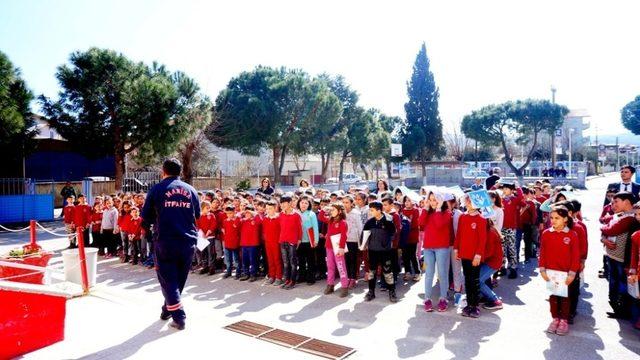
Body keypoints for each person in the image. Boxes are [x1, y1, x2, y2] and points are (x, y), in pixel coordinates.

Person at [141, 158, 201, 331]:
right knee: (178, 280)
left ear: (163, 171)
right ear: (180, 171)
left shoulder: (157, 189)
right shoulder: (191, 190)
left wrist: (147, 231)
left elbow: (146, 218)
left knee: (168, 281)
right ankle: (167, 310)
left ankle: (179, 317)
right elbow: (197, 215)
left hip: (166, 241)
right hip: (188, 241)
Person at [539, 206, 580, 336]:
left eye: (557, 218)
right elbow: (543, 252)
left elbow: (576, 256)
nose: (553, 221)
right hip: (551, 273)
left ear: (565, 219)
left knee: (565, 298)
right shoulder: (546, 233)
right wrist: (542, 270)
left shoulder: (572, 235)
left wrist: (572, 273)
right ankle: (555, 318)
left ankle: (564, 320)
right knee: (553, 296)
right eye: (551, 218)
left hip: (566, 274)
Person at [600, 192, 636, 320]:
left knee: (622, 284)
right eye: (612, 202)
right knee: (613, 281)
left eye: (616, 202)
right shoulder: (618, 215)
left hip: (622, 260)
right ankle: (616, 307)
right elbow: (605, 228)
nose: (613, 205)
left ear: (626, 202)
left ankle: (622, 310)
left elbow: (611, 230)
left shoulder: (631, 217)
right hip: (612, 256)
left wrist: (603, 228)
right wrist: (603, 238)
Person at [454, 195, 487, 318]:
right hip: (464, 254)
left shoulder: (481, 219)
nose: (467, 203)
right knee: (467, 280)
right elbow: (459, 235)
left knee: (475, 280)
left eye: (470, 202)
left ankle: (475, 305)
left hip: (475, 256)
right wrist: (456, 249)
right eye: (467, 201)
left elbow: (482, 240)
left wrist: (478, 255)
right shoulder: (463, 217)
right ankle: (468, 304)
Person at [421, 191, 452, 312]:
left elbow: (439, 225)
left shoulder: (447, 212)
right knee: (428, 274)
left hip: (441, 248)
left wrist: (438, 209)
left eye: (435, 200)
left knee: (442, 273)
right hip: (428, 248)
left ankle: (443, 298)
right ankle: (427, 299)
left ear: (441, 200)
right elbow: (420, 223)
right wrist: (425, 208)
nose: (433, 202)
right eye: (431, 199)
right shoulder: (427, 211)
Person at [363, 201, 398, 303]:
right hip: (373, 251)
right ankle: (371, 292)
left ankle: (392, 292)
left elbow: (393, 234)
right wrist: (363, 245)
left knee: (388, 273)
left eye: (372, 210)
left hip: (385, 252)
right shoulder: (370, 222)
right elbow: (364, 234)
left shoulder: (388, 221)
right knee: (371, 273)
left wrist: (385, 244)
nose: (370, 212)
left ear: (379, 210)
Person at [320, 202, 350, 298]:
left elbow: (344, 236)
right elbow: (321, 216)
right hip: (329, 247)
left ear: (340, 211)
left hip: (338, 248)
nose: (331, 211)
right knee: (330, 266)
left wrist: (341, 248)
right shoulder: (330, 220)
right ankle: (330, 285)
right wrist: (325, 208)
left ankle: (344, 286)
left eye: (333, 209)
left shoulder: (343, 222)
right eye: (331, 209)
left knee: (341, 267)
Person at [480, 219, 504, 310]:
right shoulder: (489, 229)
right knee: (483, 279)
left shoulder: (490, 232)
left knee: (478, 281)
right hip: (490, 261)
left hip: (493, 262)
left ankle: (495, 300)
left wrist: (477, 257)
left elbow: (489, 252)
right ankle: (486, 296)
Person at [279, 195, 302, 289]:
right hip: (282, 240)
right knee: (285, 262)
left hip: (292, 241)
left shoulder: (296, 215)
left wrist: (299, 240)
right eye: (281, 203)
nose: (283, 205)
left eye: (284, 203)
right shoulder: (281, 214)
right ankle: (287, 280)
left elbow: (300, 229)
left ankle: (293, 281)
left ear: (289, 203)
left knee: (293, 262)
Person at [297, 196, 319, 285]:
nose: (304, 204)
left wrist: (316, 240)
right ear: (299, 203)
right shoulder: (296, 213)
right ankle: (302, 276)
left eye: (306, 203)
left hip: (309, 241)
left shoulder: (311, 214)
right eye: (302, 202)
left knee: (310, 261)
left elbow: (315, 228)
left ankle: (311, 278)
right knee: (301, 261)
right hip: (299, 241)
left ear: (309, 204)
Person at [342, 195, 363, 289]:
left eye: (347, 202)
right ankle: (347, 277)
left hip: (353, 239)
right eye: (344, 202)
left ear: (351, 203)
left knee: (353, 260)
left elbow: (360, 227)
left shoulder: (356, 213)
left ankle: (353, 278)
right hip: (344, 239)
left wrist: (360, 241)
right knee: (345, 260)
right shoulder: (342, 213)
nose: (345, 204)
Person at [262, 200, 283, 285]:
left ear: (275, 208)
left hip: (277, 242)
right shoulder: (265, 218)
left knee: (277, 260)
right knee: (270, 260)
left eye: (270, 208)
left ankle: (279, 277)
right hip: (268, 243)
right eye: (267, 209)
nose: (268, 210)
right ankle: (272, 276)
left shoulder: (279, 218)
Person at [401, 196, 421, 282]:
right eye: (406, 201)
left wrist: (408, 222)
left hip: (413, 236)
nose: (407, 202)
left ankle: (417, 272)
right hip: (404, 237)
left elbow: (415, 224)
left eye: (409, 201)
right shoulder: (402, 210)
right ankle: (407, 271)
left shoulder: (415, 210)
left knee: (413, 255)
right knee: (405, 255)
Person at [239, 206, 261, 282]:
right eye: (246, 213)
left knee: (253, 260)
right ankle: (246, 273)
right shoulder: (243, 221)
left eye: (249, 213)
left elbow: (259, 220)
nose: (247, 214)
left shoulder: (256, 219)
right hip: (244, 244)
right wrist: (242, 213)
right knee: (245, 260)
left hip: (253, 244)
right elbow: (237, 222)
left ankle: (253, 274)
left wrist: (253, 213)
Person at [222, 205, 242, 279]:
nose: (229, 215)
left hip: (235, 243)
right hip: (227, 243)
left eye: (230, 213)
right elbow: (225, 231)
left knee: (236, 259)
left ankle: (238, 272)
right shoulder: (225, 221)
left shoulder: (238, 220)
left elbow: (239, 232)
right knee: (228, 259)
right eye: (227, 213)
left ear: (234, 212)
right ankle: (228, 272)